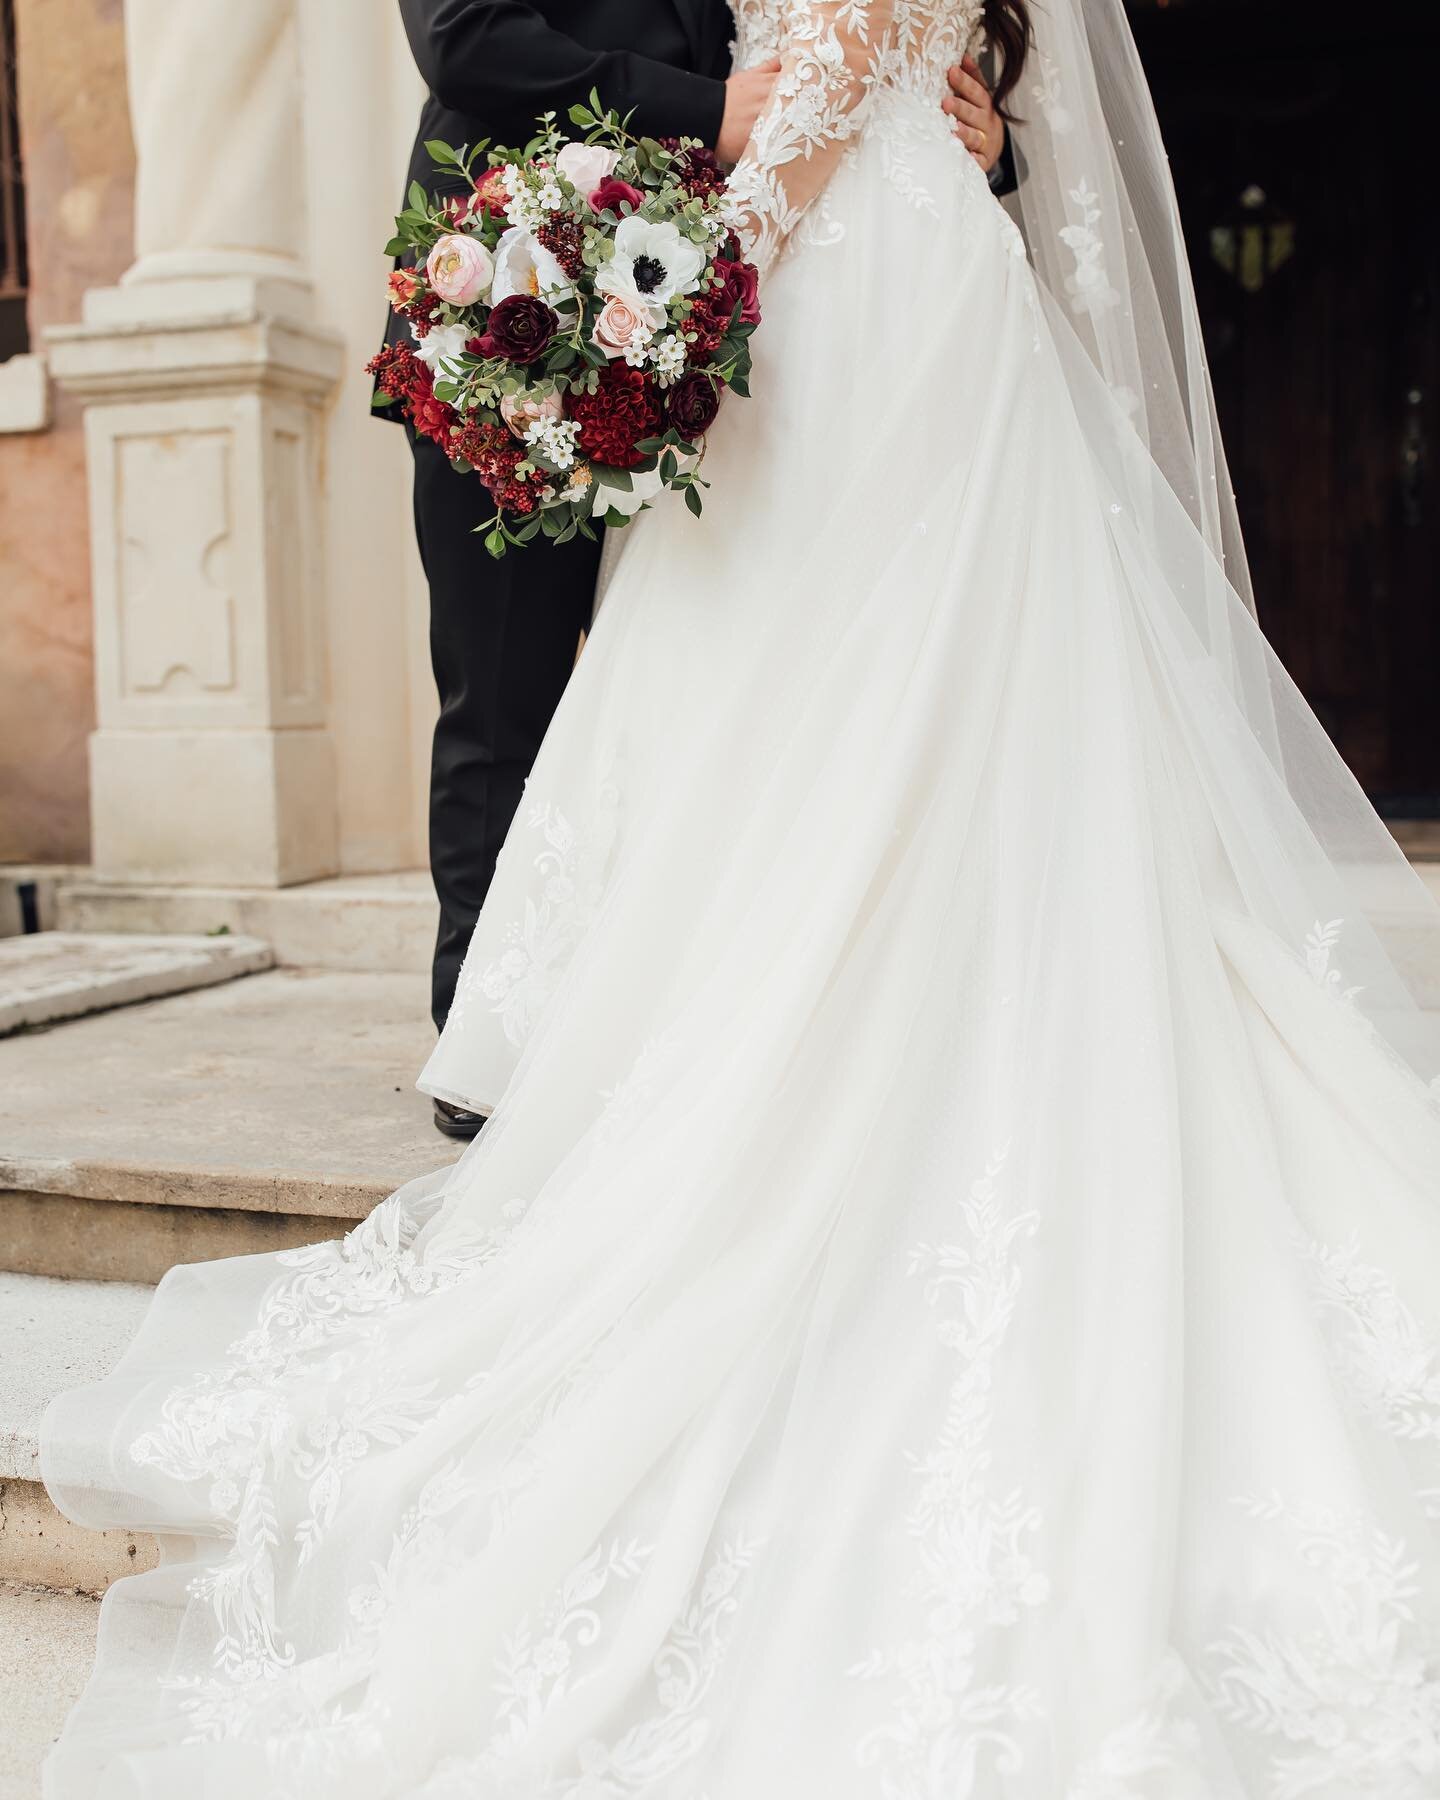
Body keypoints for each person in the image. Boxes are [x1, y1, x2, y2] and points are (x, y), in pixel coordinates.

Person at [45, 0, 1440, 1792]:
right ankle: (612, 1049)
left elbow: (847, 63)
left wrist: (666, 297)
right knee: (780, 725)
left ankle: (795, 1066)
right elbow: (516, 44)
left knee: (837, 719)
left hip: (847, 284)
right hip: (883, 275)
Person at [386, 0, 1012, 1139]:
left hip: (705, 330)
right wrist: (709, 115)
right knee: (501, 690)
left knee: (692, 677)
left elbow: (852, 55)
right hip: (515, 302)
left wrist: (967, 137)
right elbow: (467, 40)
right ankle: (488, 1044)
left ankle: (648, 1019)